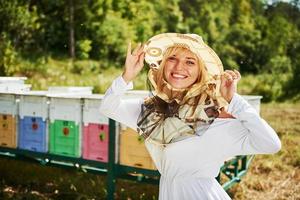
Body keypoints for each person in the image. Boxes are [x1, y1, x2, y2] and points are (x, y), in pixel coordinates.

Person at [99, 33, 281, 200]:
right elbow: (108, 107)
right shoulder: (151, 110)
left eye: (190, 62)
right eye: (172, 58)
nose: (179, 67)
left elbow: (271, 144)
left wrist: (234, 101)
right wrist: (126, 76)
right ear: (162, 64)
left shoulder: (214, 114)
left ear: (201, 72)